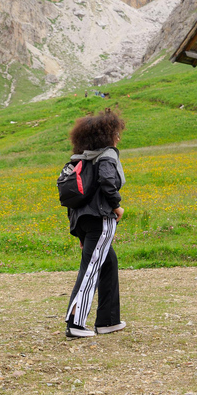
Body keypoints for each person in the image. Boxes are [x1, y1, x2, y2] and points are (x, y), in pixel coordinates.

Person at [63, 109, 127, 338]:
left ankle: (108, 320)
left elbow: (75, 196)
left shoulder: (80, 159)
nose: (118, 137)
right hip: (101, 219)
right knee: (90, 270)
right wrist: (117, 205)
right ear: (107, 135)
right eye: (116, 133)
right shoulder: (107, 155)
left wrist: (80, 234)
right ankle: (75, 323)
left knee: (108, 262)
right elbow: (108, 181)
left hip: (84, 221)